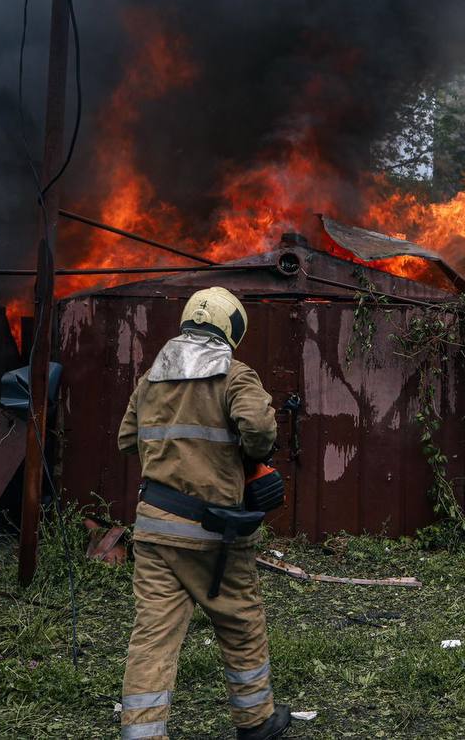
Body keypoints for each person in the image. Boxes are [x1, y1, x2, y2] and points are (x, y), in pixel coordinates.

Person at [116, 287, 291, 740]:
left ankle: (142, 733)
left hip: (154, 533)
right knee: (240, 623)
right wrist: (250, 457)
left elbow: (127, 438)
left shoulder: (149, 380)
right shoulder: (236, 376)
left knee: (152, 638)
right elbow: (259, 431)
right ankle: (255, 722)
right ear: (232, 329)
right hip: (215, 539)